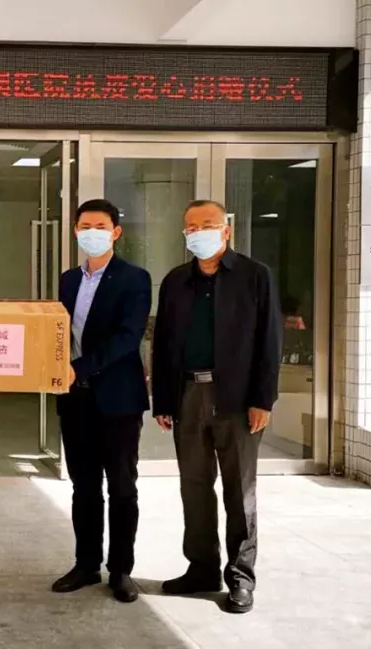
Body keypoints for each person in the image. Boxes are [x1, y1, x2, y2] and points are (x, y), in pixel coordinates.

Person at [151, 199, 282, 615]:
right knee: (194, 486)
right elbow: (163, 343)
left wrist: (263, 398)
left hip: (238, 399)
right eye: (191, 227)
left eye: (206, 225)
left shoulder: (255, 276)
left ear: (226, 230)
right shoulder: (175, 281)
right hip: (188, 394)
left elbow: (270, 342)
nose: (198, 233)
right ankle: (202, 568)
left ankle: (240, 576)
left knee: (238, 490)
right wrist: (163, 400)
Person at [52, 199, 151, 604]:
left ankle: (121, 569)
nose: (92, 233)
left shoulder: (135, 279)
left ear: (115, 232)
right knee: (84, 487)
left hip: (118, 399)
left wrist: (79, 368)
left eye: (100, 226)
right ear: (76, 231)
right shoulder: (67, 280)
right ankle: (86, 563)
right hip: (74, 400)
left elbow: (128, 337)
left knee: (123, 487)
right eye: (85, 227)